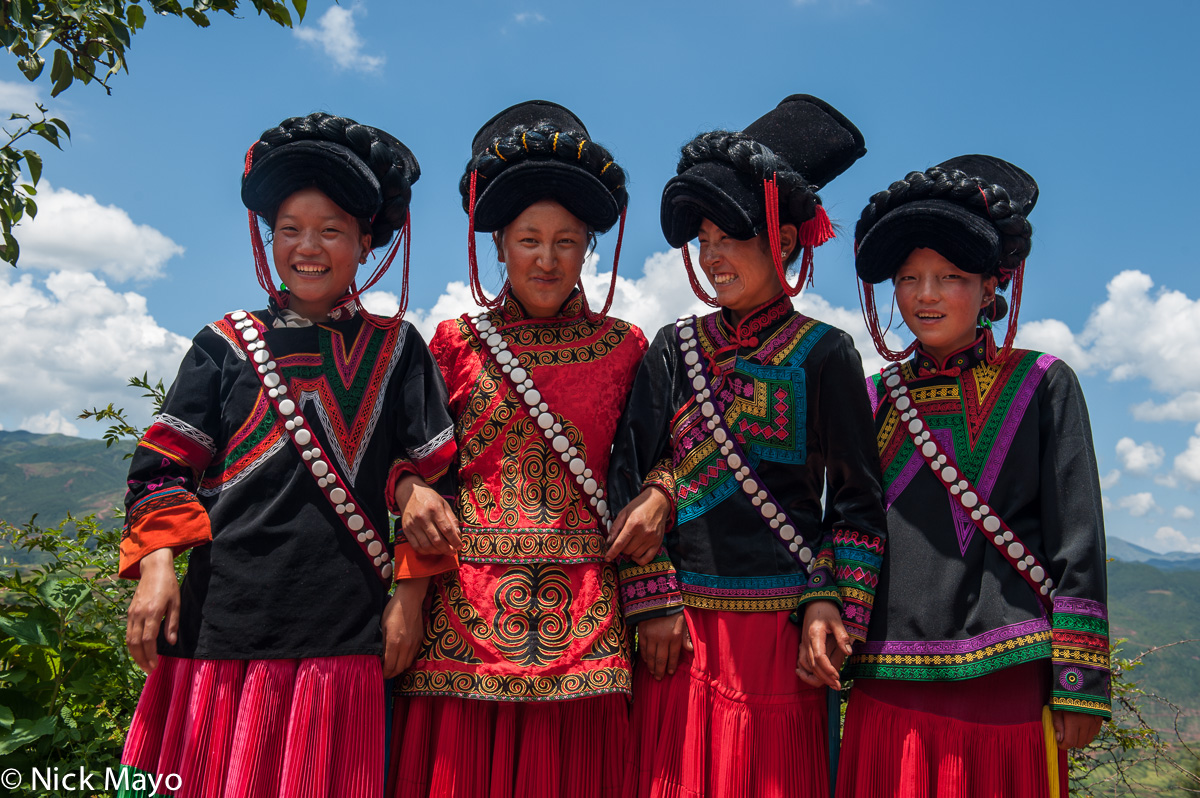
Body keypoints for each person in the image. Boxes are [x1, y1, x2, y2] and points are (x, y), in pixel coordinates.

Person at [116, 112, 457, 797]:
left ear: (366, 243)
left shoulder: (399, 350)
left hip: (346, 632)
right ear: (269, 238)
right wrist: (158, 569)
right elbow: (160, 470)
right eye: (291, 230)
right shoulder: (223, 344)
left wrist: (410, 599)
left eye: (331, 230)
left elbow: (437, 483)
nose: (309, 246)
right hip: (220, 628)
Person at [607, 94, 887, 798]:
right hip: (680, 633)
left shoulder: (827, 355)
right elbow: (625, 477)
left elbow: (857, 505)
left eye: (730, 235)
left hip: (781, 637)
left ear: (785, 241)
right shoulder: (673, 348)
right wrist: (654, 602)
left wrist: (830, 603)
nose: (713, 255)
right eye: (703, 238)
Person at [387, 100, 653, 798]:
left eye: (567, 241)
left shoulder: (627, 349)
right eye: (529, 238)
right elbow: (417, 466)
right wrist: (407, 598)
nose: (546, 257)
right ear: (499, 244)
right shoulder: (452, 342)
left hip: (588, 620)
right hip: (462, 622)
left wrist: (665, 493)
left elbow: (656, 461)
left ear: (588, 249)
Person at [837, 155, 1111, 798]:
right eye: (909, 278)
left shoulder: (1044, 383)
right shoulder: (873, 397)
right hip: (887, 674)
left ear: (992, 287)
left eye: (950, 277)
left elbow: (1079, 537)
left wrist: (1080, 682)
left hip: (1008, 673)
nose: (925, 295)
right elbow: (848, 522)